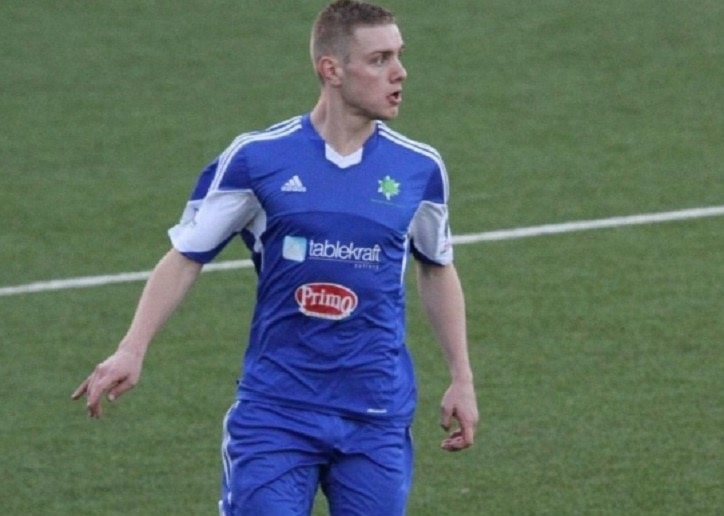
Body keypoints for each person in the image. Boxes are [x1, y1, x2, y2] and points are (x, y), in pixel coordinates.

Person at [72, 0, 478, 514]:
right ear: (330, 69)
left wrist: (461, 377)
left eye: (398, 55)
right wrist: (133, 347)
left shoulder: (419, 168)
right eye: (379, 59)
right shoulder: (257, 159)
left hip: (376, 413)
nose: (400, 73)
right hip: (278, 413)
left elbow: (437, 266)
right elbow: (186, 255)